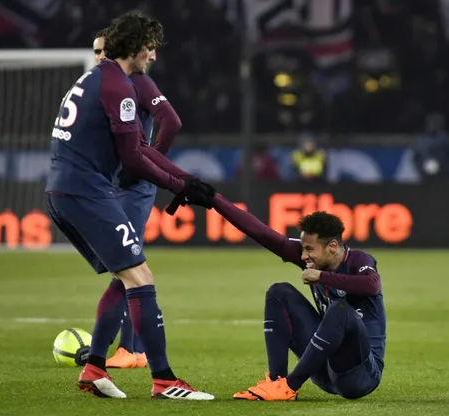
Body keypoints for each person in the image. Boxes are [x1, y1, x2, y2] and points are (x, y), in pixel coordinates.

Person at [44, 11, 215, 400]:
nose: (153, 56)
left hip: (65, 190)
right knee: (140, 278)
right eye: (149, 48)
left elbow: (135, 150)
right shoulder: (120, 88)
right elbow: (135, 159)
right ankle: (164, 380)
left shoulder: (94, 78)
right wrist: (180, 185)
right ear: (135, 48)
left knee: (128, 276)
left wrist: (182, 182)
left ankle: (94, 369)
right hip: (87, 192)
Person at [178, 190, 387, 400]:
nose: (303, 256)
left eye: (309, 249)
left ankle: (290, 385)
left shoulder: (359, 261)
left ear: (332, 247)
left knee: (340, 309)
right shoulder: (312, 260)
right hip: (324, 370)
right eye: (302, 249)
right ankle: (276, 382)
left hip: (360, 375)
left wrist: (322, 276)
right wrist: (214, 200)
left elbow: (372, 285)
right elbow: (261, 233)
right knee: (279, 292)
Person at [92, 28, 183, 369]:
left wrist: (149, 162)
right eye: (95, 51)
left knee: (127, 266)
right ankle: (131, 349)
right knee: (126, 266)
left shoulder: (138, 82)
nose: (99, 57)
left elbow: (171, 121)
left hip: (132, 185)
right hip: (112, 184)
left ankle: (129, 349)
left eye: (104, 50)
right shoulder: (102, 85)